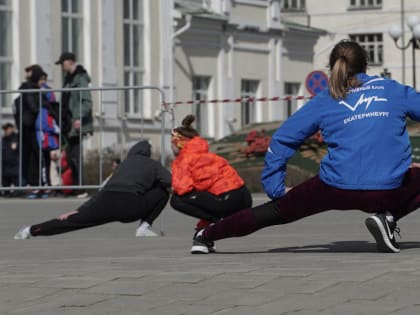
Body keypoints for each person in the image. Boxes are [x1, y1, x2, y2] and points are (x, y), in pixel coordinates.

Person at [191, 40, 420, 254]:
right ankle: (388, 217)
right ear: (366, 65)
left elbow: (283, 139)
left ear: (332, 67)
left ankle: (205, 236)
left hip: (334, 187)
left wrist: (275, 188)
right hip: (387, 189)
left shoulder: (325, 99)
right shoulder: (393, 90)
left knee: (275, 212)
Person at [14, 140, 171, 239]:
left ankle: (29, 230)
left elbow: (102, 191)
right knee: (162, 191)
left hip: (105, 202)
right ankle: (144, 227)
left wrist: (78, 210)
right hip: (131, 206)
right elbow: (171, 181)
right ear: (148, 154)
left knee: (70, 222)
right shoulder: (153, 165)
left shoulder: (122, 166)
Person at [170, 115, 252, 253]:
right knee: (202, 198)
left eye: (171, 143)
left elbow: (182, 189)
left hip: (226, 200)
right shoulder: (210, 155)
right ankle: (205, 234)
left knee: (177, 199)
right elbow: (206, 196)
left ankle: (213, 224)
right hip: (244, 198)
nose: (171, 148)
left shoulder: (183, 159)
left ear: (179, 143)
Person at [55, 52, 93, 198]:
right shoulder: (68, 79)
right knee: (70, 156)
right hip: (67, 123)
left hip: (76, 123)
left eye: (63, 63)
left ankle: (80, 188)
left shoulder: (80, 78)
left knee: (75, 156)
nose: (62, 66)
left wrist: (78, 118)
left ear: (70, 61)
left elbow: (86, 101)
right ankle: (73, 187)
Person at [15, 67, 50, 194]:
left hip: (29, 127)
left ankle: (36, 184)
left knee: (33, 156)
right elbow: (34, 107)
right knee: (34, 157)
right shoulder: (31, 89)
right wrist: (44, 105)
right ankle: (35, 184)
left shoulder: (31, 88)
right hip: (31, 127)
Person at [1, 123, 19, 196]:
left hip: (15, 165)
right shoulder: (4, 139)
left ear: (12, 129)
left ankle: (17, 192)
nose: (6, 131)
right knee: (5, 181)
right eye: (5, 129)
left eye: (7, 129)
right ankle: (6, 192)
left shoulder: (16, 138)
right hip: (5, 165)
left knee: (16, 181)